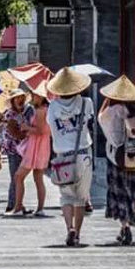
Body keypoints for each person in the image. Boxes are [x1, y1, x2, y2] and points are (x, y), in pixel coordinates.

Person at [46, 67, 94, 246]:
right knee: (80, 198)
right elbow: (90, 121)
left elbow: (50, 127)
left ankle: (69, 228)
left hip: (62, 158)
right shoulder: (86, 103)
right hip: (83, 155)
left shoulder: (52, 107)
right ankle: (79, 233)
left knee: (66, 196)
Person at [99, 75, 135, 245]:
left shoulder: (112, 111)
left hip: (116, 158)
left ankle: (124, 225)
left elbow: (100, 120)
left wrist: (106, 100)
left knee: (119, 193)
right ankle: (127, 224)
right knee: (131, 191)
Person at [11, 85, 50, 217]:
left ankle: (18, 207)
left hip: (36, 146)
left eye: (34, 95)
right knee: (38, 178)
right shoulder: (45, 109)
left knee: (18, 176)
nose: (32, 98)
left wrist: (26, 127)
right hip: (41, 146)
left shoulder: (40, 111)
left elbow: (39, 130)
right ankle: (39, 208)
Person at [1, 89, 31, 214]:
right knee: (16, 177)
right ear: (13, 101)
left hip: (21, 149)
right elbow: (15, 133)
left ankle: (18, 203)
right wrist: (28, 133)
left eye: (22, 97)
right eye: (17, 98)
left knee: (18, 178)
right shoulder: (11, 114)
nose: (20, 100)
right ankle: (12, 204)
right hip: (14, 150)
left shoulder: (22, 113)